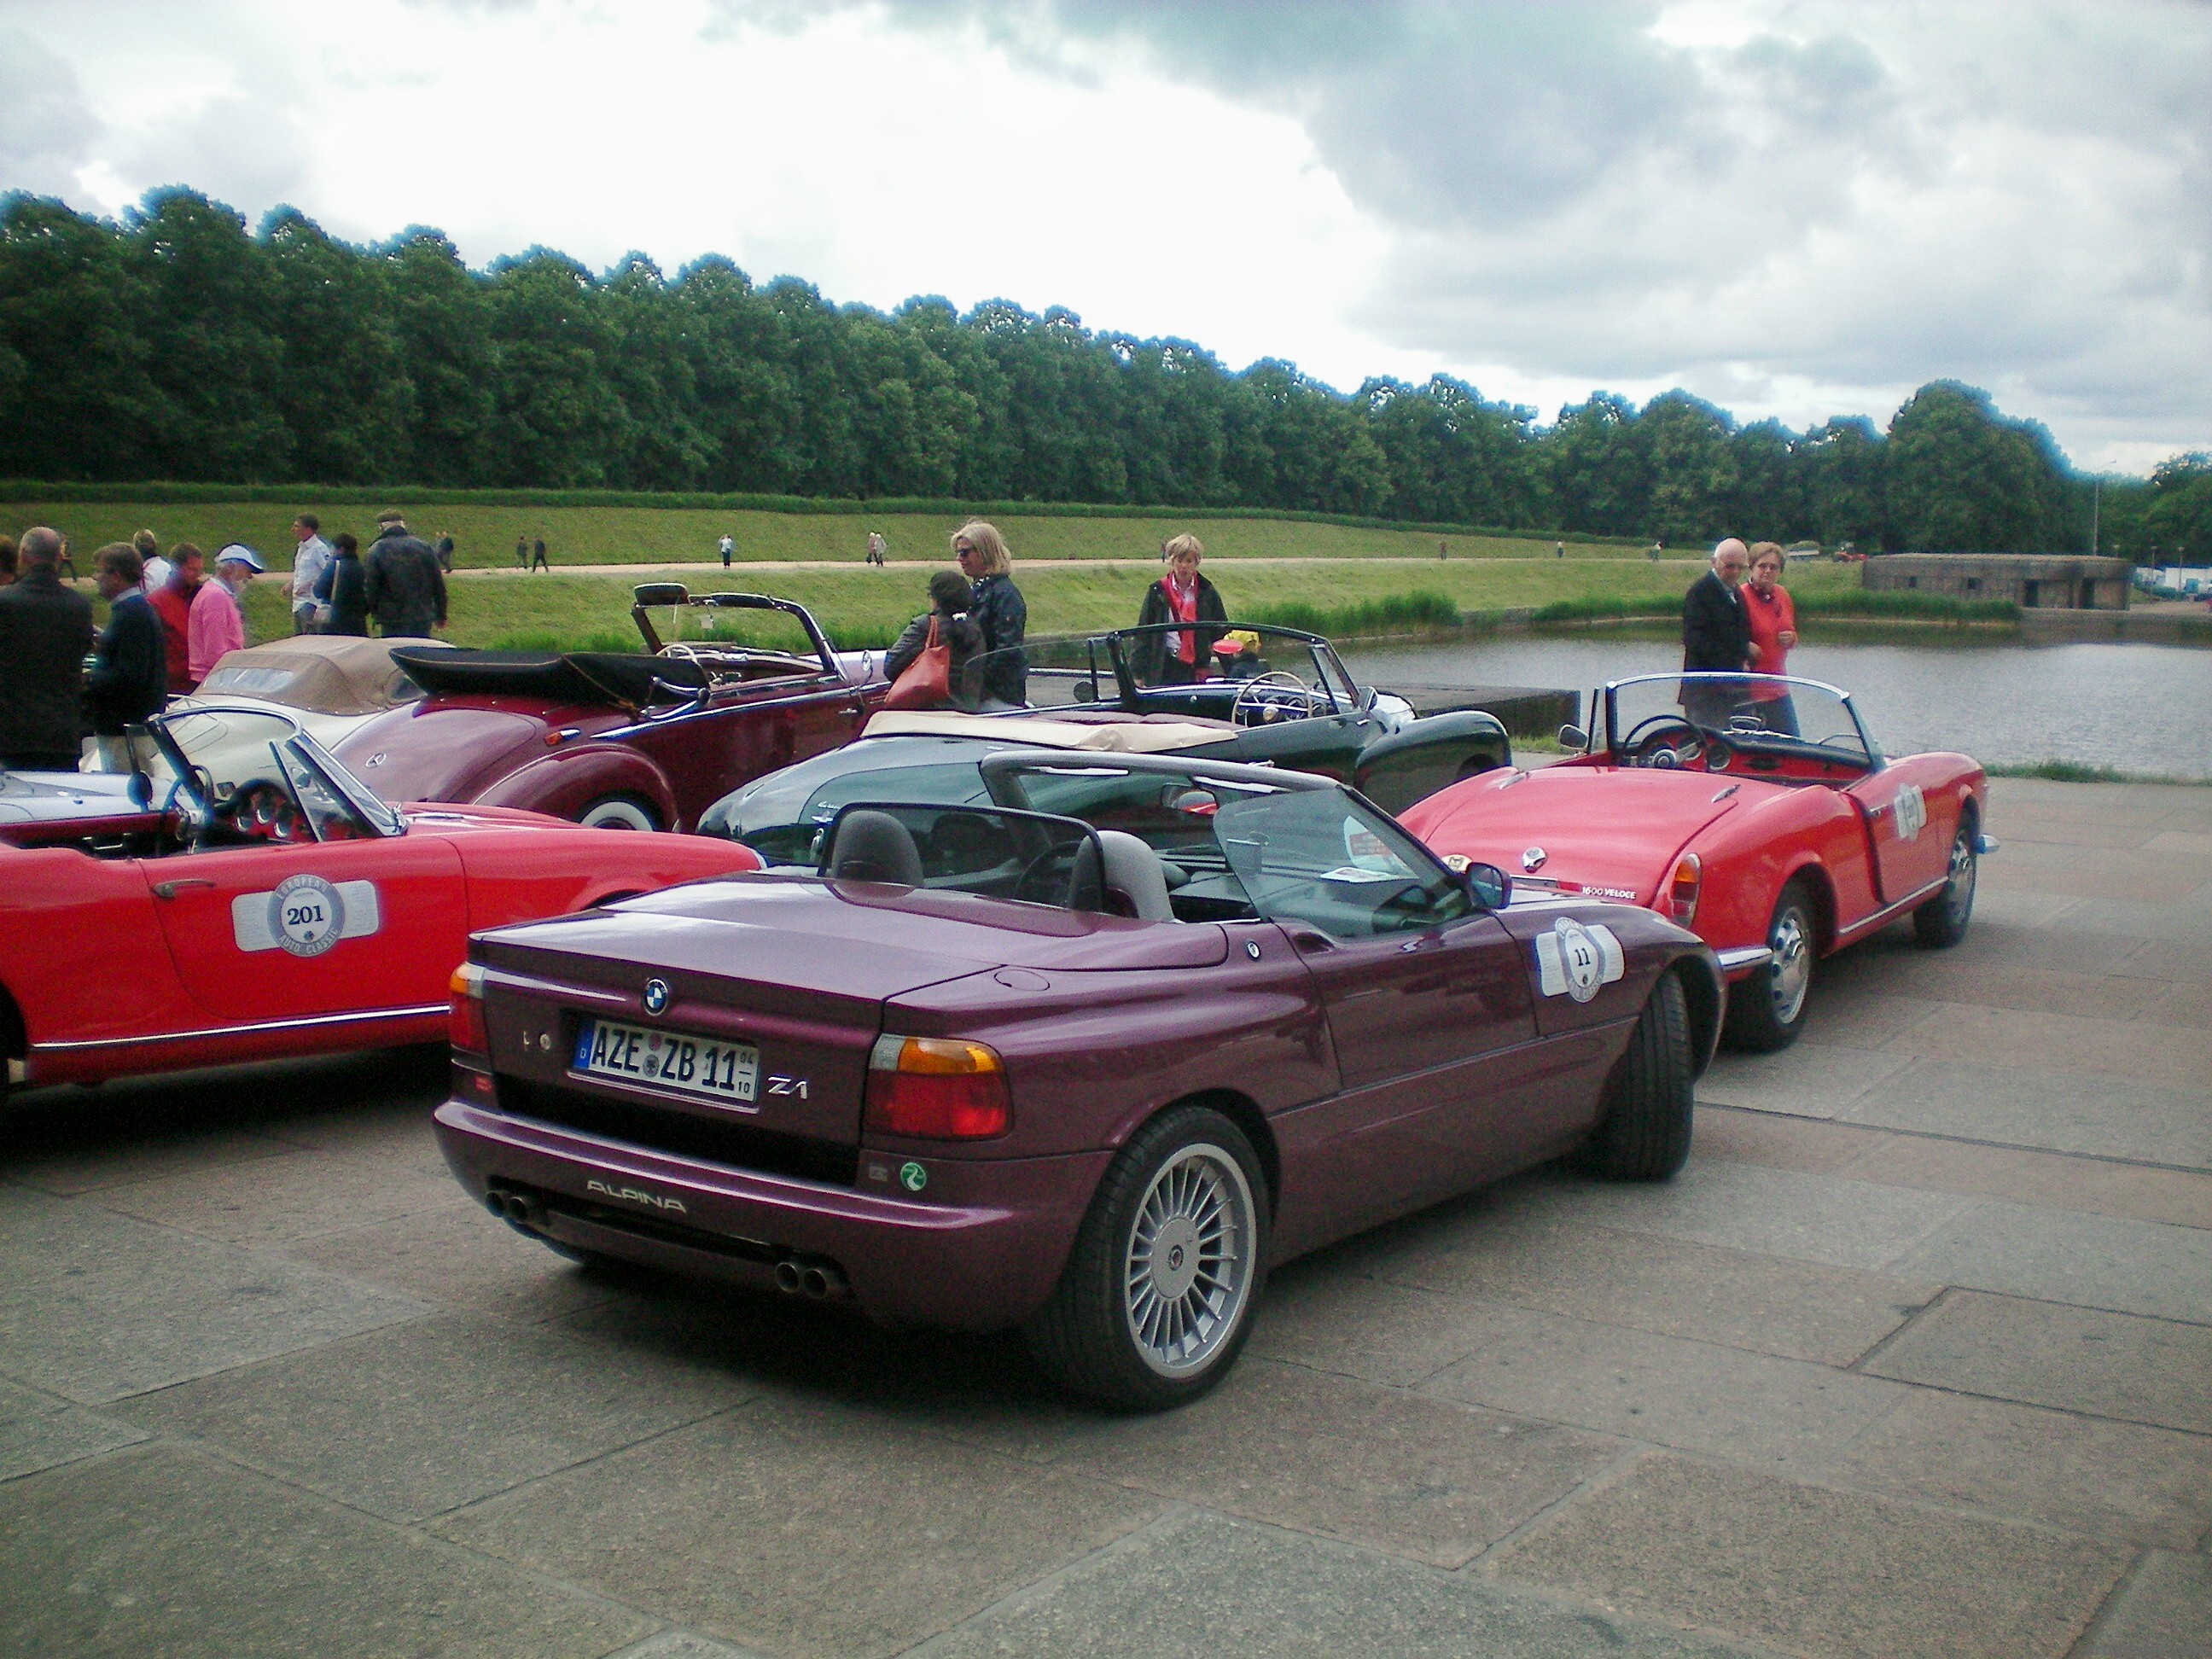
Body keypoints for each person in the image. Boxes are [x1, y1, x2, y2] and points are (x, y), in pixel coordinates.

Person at [0, 527, 94, 769]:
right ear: (58, 558)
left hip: (12, 730)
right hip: (62, 731)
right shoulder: (79, 605)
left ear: (23, 554)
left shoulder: (6, 602)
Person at [86, 544, 168, 768]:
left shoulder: (131, 615)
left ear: (116, 576)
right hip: (130, 727)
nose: (95, 577)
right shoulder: (135, 610)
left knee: (126, 795)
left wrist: (87, 678)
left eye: (100, 571)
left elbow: (130, 676)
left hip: (126, 731)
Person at [1133, 533, 1227, 685]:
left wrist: (1233, 670)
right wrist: (1136, 674)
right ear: (1172, 561)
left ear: (1196, 562)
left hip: (1195, 668)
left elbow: (1220, 633)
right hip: (1163, 665)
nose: (1183, 566)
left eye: (1189, 561)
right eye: (1179, 560)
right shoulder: (1158, 591)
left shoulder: (1207, 591)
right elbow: (1143, 634)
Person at [1680, 537, 1754, 730]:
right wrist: (1735, 663)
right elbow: (1695, 640)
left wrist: (1745, 654)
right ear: (1714, 562)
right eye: (1730, 566)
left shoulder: (1736, 591)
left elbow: (1739, 631)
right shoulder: (1700, 592)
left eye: (1741, 567)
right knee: (1708, 748)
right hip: (1704, 691)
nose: (1735, 572)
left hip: (1732, 689)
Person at [883, 570, 985, 709]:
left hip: (931, 710)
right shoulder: (975, 627)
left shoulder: (925, 625)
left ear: (936, 599)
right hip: (969, 709)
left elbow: (891, 667)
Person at [952, 521, 1026, 709]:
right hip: (971, 690)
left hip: (995, 694)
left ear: (985, 552)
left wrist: (979, 683)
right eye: (958, 553)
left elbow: (1007, 649)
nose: (960, 558)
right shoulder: (974, 589)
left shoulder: (1005, 594)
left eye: (965, 552)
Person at [1742, 541, 1800, 735]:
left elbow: (1790, 630)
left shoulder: (1782, 595)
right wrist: (1744, 645)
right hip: (1750, 690)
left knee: (1792, 744)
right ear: (1751, 567)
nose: (1767, 571)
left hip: (1778, 686)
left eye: (1773, 567)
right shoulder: (1740, 596)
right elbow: (1728, 637)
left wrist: (1791, 638)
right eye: (1762, 566)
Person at [364, 510, 448, 637]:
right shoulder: (424, 547)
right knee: (419, 654)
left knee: (396, 654)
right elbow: (438, 583)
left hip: (392, 618)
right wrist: (441, 614)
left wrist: (373, 611)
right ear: (403, 525)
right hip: (422, 615)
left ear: (381, 527)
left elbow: (371, 587)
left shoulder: (376, 550)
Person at [189, 544, 261, 684]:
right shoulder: (216, 596)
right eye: (246, 570)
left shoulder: (217, 593)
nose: (250, 576)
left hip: (216, 676)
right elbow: (215, 652)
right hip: (214, 679)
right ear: (230, 568)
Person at [148, 542, 205, 693]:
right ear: (175, 567)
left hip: (201, 683)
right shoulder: (156, 602)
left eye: (200, 570)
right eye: (192, 569)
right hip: (173, 687)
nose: (198, 575)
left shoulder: (203, 597)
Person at [315, 533, 370, 636]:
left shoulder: (334, 566)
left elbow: (318, 590)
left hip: (334, 618)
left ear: (340, 549)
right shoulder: (362, 568)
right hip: (358, 620)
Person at [289, 513, 333, 634]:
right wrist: (291, 584)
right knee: (298, 639)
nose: (294, 530)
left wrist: (310, 585)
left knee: (309, 638)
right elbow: (301, 572)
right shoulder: (301, 548)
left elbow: (328, 573)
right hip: (297, 603)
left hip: (311, 602)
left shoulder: (319, 548)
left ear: (308, 530)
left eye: (297, 526)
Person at [132, 528, 170, 595]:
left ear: (136, 548)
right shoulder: (168, 564)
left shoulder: (143, 573)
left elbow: (147, 601)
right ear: (154, 544)